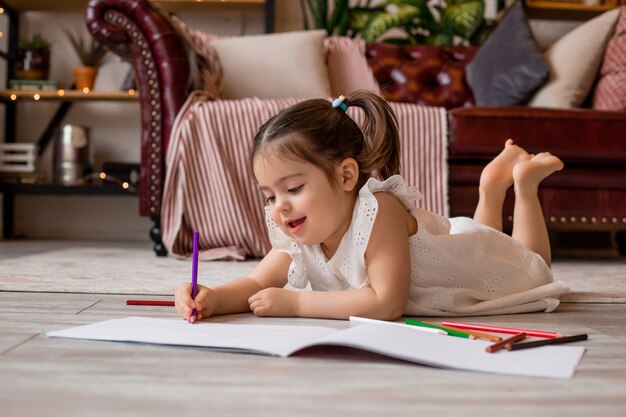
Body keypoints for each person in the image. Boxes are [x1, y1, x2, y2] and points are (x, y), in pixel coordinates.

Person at [175, 90, 569, 323]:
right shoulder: (300, 230)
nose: (280, 207)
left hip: (475, 264)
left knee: (532, 263)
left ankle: (524, 184)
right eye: (270, 195)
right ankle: (491, 187)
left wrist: (297, 302)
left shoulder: (379, 211)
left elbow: (386, 303)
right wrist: (210, 297)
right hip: (462, 243)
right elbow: (258, 284)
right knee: (485, 236)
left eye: (292, 188)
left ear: (347, 176)